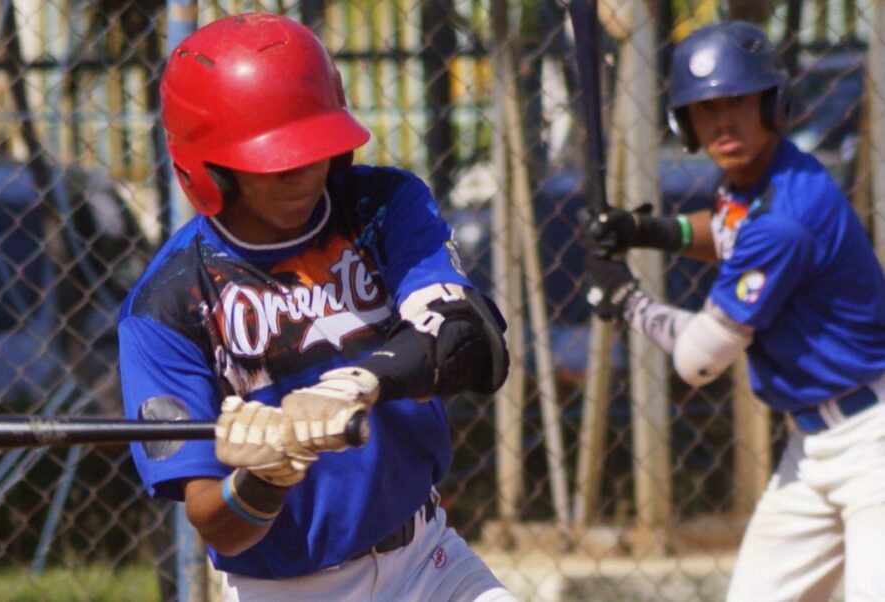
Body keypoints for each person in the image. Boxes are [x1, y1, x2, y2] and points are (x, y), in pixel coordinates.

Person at [117, 13, 516, 602]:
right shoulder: (167, 306)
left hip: (429, 561)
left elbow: (465, 339)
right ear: (210, 166)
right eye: (275, 161)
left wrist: (358, 383)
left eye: (316, 147)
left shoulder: (381, 207)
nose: (304, 174)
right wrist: (266, 476)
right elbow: (215, 523)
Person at [580, 21, 885, 602]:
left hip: (875, 446)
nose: (722, 122)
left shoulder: (786, 217)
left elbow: (699, 359)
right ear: (684, 123)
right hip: (811, 451)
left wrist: (625, 298)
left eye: (739, 101)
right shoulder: (760, 179)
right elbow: (727, 234)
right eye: (704, 107)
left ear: (774, 102)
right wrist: (647, 229)